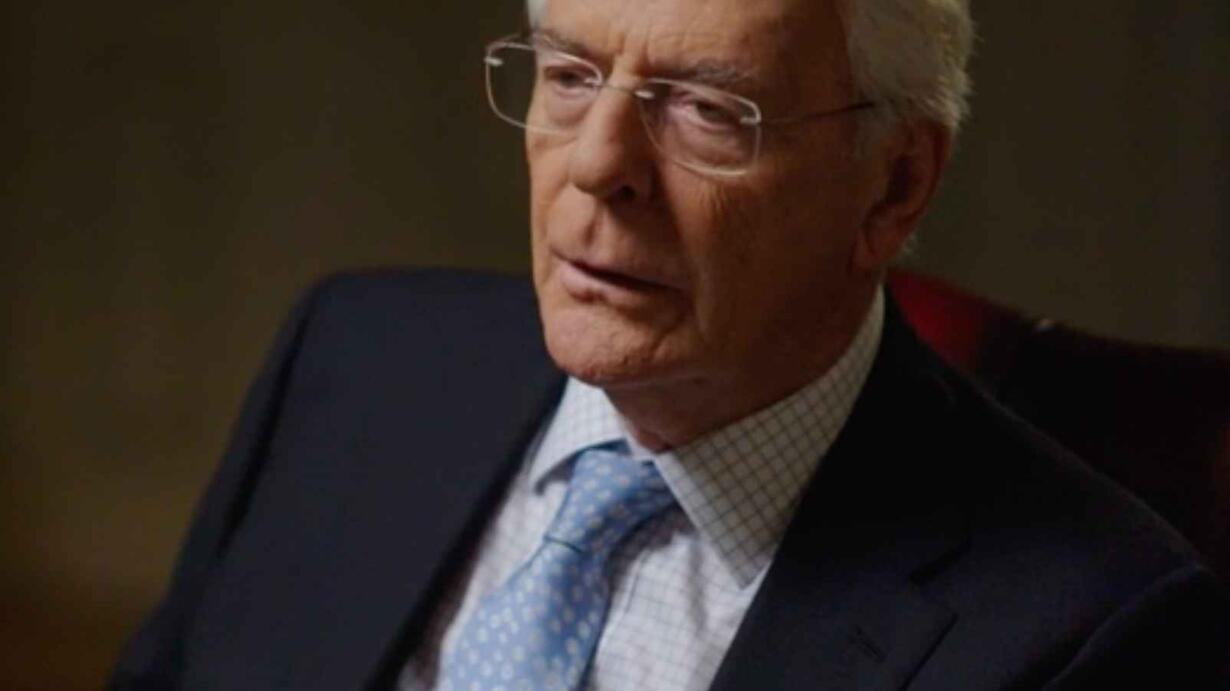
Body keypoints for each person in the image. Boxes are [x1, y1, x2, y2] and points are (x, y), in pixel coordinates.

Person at [111, 0, 1230, 689]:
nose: (599, 165)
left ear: (893, 187)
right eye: (570, 75)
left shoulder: (1092, 629)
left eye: (706, 110)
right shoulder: (352, 356)